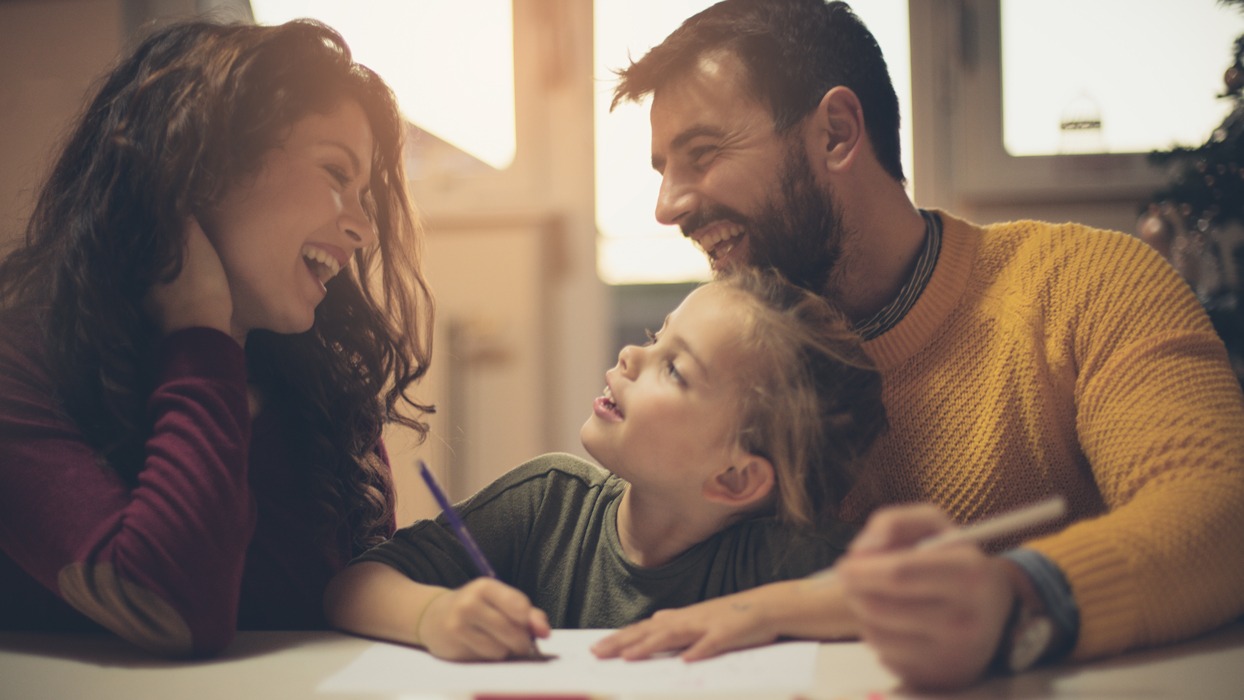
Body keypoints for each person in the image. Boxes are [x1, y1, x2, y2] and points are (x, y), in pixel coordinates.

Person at [593, 0, 1244, 690]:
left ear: (838, 134)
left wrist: (1015, 598)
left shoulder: (1085, 288)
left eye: (702, 154)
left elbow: (1224, 513)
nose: (668, 206)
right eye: (665, 168)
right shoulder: (710, 366)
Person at [0, 19, 433, 657]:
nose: (364, 228)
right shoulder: (20, 371)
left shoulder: (325, 398)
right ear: (198, 166)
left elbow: (357, 615)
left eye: (365, 194)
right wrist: (204, 332)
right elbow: (172, 608)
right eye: (335, 175)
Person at [324, 269, 884, 661]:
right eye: (654, 337)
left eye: (676, 369)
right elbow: (353, 586)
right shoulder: (546, 504)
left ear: (736, 478)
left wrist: (763, 612)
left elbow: (947, 592)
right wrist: (437, 617)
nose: (631, 356)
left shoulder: (769, 559)